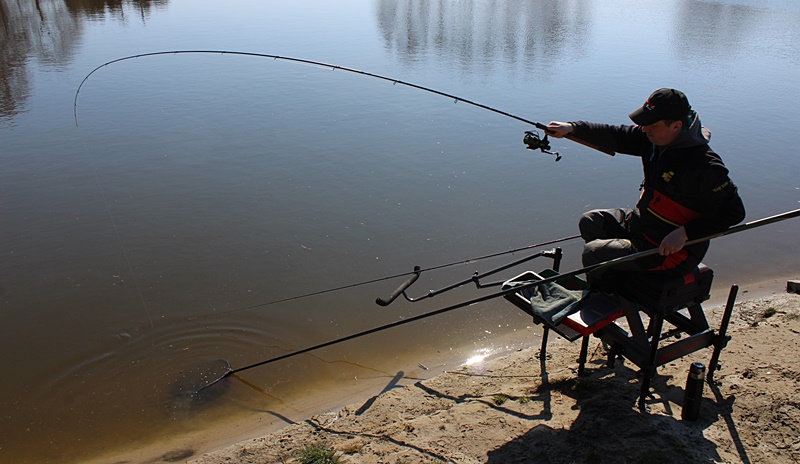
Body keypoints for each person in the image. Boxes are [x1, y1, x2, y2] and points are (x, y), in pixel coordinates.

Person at [545, 88, 745, 282]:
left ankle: (603, 294)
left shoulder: (705, 166)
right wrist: (571, 129)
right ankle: (616, 278)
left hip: (670, 251)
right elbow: (617, 135)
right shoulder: (655, 139)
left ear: (675, 126)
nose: (645, 129)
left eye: (651, 124)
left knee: (594, 253)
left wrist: (685, 233)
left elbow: (734, 212)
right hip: (644, 225)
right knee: (591, 221)